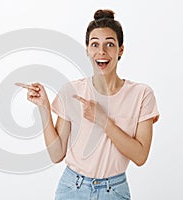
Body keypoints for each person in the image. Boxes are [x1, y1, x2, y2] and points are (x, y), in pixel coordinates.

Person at [15, 9, 159, 200]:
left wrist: (102, 120)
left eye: (110, 44)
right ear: (87, 50)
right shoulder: (72, 91)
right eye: (94, 45)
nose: (102, 51)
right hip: (72, 188)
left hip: (114, 191)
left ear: (120, 50)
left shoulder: (141, 94)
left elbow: (140, 156)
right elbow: (56, 154)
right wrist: (44, 107)